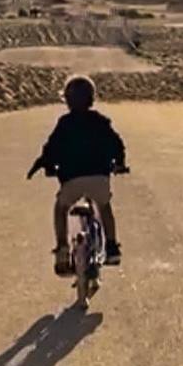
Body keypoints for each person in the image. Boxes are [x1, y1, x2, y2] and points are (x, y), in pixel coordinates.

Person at [26, 74, 126, 275]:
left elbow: (51, 148)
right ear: (92, 98)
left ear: (68, 101)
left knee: (61, 207)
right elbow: (117, 144)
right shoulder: (101, 121)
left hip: (72, 179)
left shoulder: (64, 123)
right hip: (99, 177)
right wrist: (120, 164)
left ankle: (62, 248)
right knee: (104, 207)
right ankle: (112, 247)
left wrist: (43, 165)